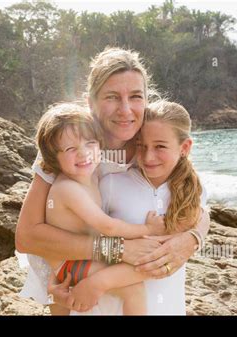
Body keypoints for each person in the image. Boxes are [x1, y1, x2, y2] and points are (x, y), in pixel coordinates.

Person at [15, 47, 210, 314]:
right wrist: (116, 249)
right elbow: (28, 236)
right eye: (112, 97)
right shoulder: (69, 146)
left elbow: (194, 195)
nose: (126, 109)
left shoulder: (154, 143)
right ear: (90, 103)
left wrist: (193, 238)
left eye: (136, 97)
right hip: (80, 288)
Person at [65, 100, 204, 314]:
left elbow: (158, 260)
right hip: (106, 307)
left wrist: (100, 281)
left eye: (160, 146)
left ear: (184, 147)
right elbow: (79, 240)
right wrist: (93, 282)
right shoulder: (112, 184)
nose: (148, 157)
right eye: (141, 145)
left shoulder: (193, 192)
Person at [33, 102, 166, 314]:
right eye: (70, 149)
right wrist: (148, 230)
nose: (83, 153)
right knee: (134, 285)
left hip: (79, 257)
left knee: (138, 271)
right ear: (53, 158)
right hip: (68, 265)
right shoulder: (68, 188)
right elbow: (109, 227)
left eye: (90, 143)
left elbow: (124, 165)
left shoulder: (91, 173)